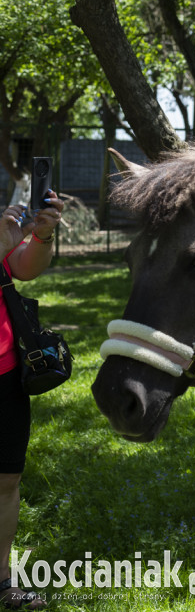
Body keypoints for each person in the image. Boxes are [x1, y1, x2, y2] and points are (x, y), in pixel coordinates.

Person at [1, 190, 65, 611]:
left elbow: (24, 269)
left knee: (6, 480)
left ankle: (2, 581)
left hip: (5, 372)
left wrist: (41, 236)